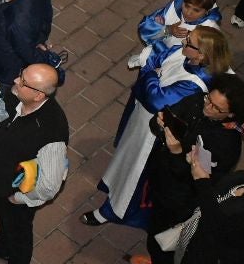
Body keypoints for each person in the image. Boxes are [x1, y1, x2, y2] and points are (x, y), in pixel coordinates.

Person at [124, 73, 244, 264]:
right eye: (209, 99)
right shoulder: (198, 101)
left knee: (162, 241)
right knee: (156, 234)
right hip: (162, 181)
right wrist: (160, 124)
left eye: (216, 108)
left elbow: (195, 180)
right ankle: (158, 262)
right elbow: (162, 120)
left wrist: (176, 152)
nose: (207, 107)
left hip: (180, 200)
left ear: (231, 115)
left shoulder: (225, 145)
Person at [83, 22, 232, 229]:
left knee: (136, 171)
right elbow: (158, 56)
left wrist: (152, 73)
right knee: (126, 156)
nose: (183, 41)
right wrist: (153, 71)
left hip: (153, 134)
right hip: (142, 119)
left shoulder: (196, 83)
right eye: (188, 37)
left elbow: (156, 100)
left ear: (202, 56)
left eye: (189, 42)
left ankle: (114, 210)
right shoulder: (185, 54)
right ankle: (112, 186)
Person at [0, 62, 69, 264]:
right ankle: (3, 246)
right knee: (3, 219)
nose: (16, 81)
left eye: (23, 81)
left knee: (19, 232)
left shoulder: (51, 130)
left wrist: (18, 198)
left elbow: (49, 185)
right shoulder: (14, 94)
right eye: (20, 75)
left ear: (39, 95)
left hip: (16, 196)